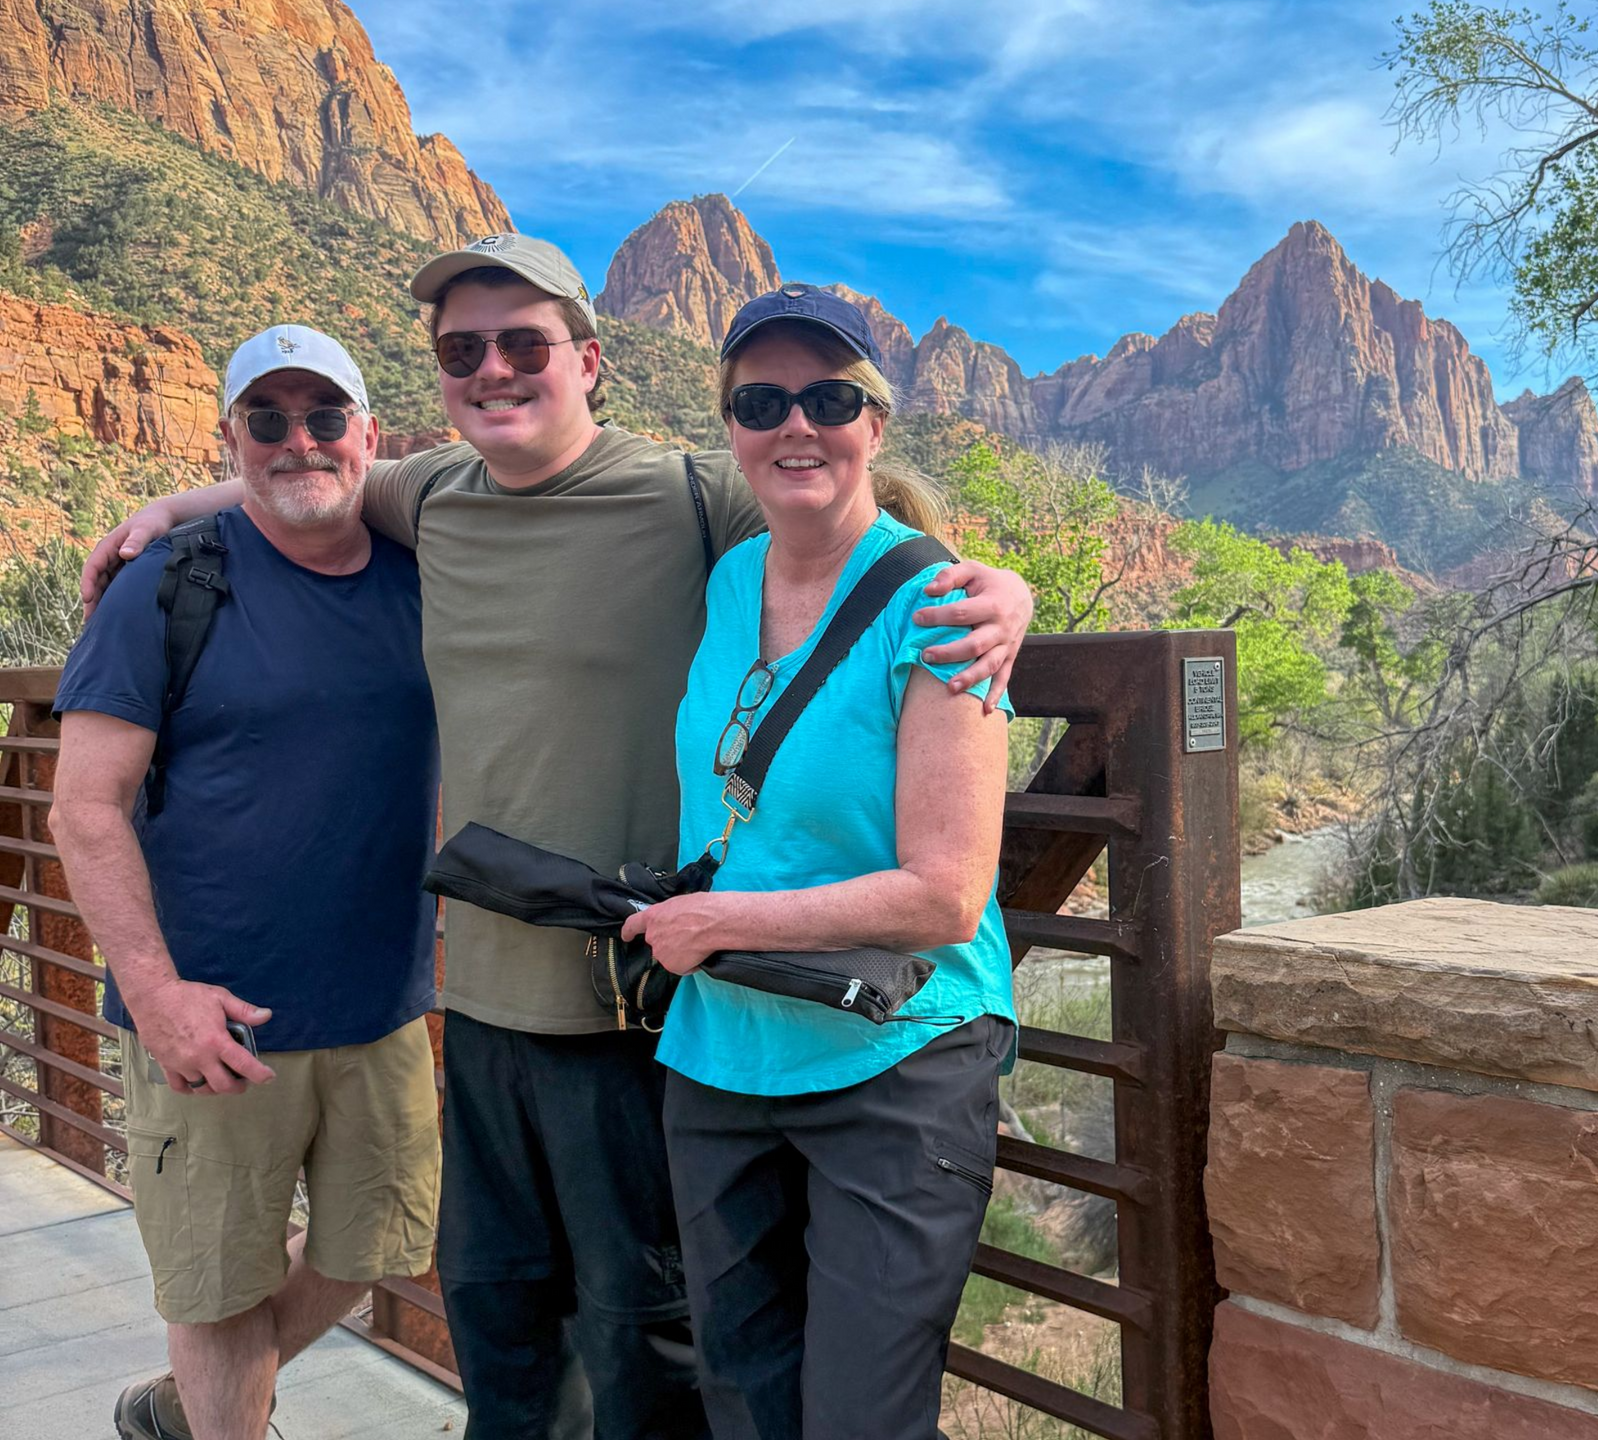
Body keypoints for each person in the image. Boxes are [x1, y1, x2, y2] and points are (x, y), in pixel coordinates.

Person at [82, 236, 1034, 1440]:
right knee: (500, 1315)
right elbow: (305, 474)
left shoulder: (695, 493)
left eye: (524, 344)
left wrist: (1000, 591)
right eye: (463, 351)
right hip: (481, 997)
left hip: (644, 999)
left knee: (649, 1340)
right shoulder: (429, 493)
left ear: (589, 361)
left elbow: (856, 523)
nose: (495, 369)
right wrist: (174, 504)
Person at [618, 286, 1016, 1440]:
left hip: (894, 1058)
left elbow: (947, 893)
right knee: (742, 1397)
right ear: (732, 427)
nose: (797, 423)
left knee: (861, 1419)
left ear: (874, 423)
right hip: (726, 1049)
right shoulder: (731, 580)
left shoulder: (943, 604)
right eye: (762, 400)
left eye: (829, 396)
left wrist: (725, 926)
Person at [51, 326, 441, 1440]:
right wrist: (158, 993)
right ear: (230, 437)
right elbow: (84, 805)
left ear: (369, 434)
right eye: (265, 421)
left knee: (379, 1249)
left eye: (324, 417)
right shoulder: (168, 587)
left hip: (382, 1007)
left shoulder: (424, 571)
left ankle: (191, 1412)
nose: (297, 440)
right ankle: (226, 1415)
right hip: (209, 1018)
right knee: (216, 1286)